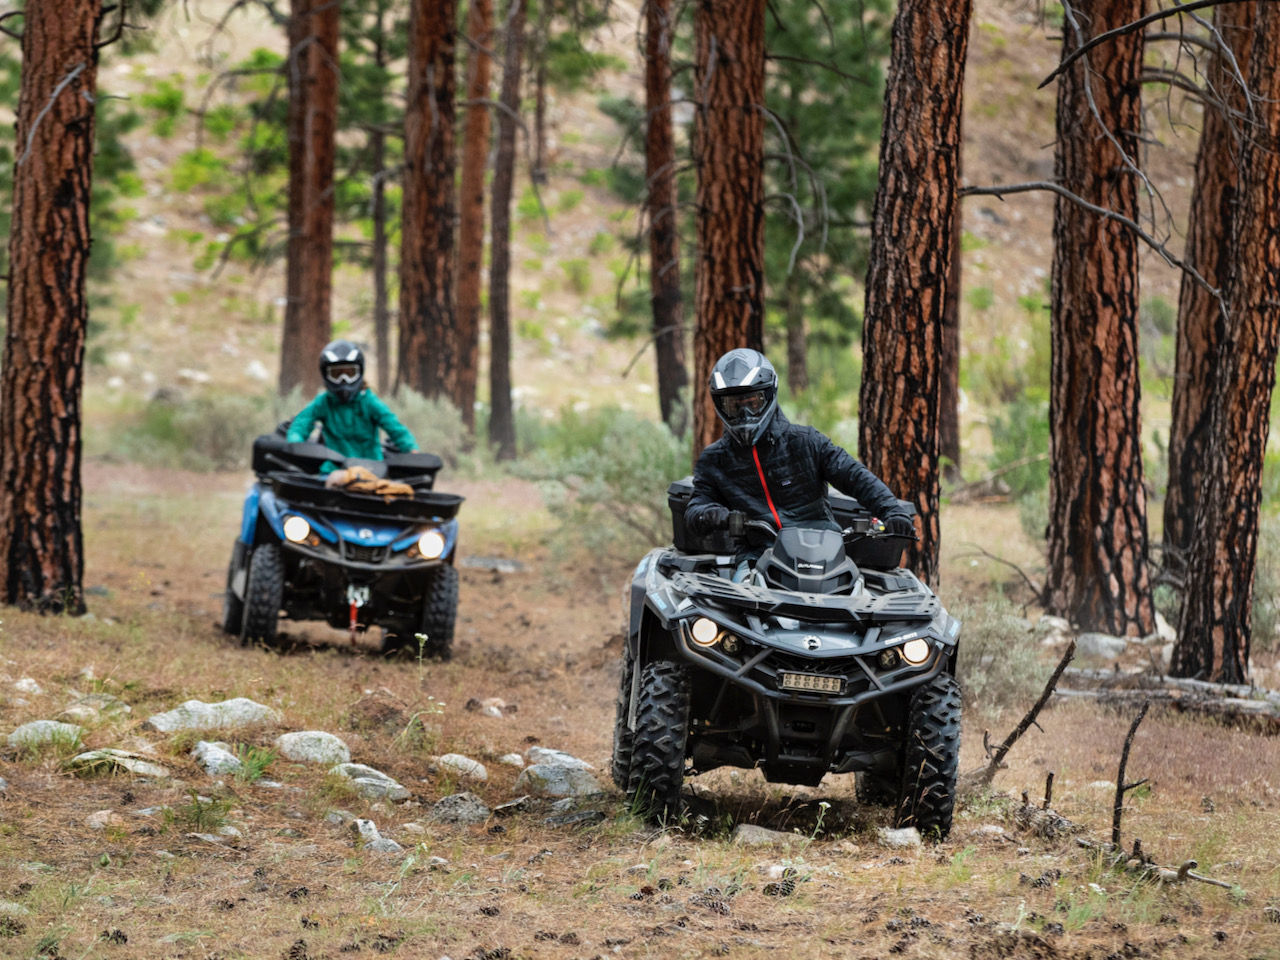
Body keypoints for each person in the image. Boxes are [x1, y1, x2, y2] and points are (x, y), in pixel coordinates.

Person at [684, 348, 915, 551]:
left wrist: (891, 511)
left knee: (857, 591)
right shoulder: (714, 460)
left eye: (753, 403)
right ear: (720, 406)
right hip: (756, 558)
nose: (745, 415)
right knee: (737, 592)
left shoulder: (806, 442)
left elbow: (854, 475)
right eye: (734, 406)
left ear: (769, 396)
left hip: (823, 552)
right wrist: (713, 514)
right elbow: (696, 508)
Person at [286, 340, 418, 468]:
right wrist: (295, 443)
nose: (343, 380)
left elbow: (395, 428)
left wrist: (412, 450)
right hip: (332, 472)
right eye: (336, 374)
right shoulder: (323, 402)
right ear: (326, 374)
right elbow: (301, 424)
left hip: (372, 472)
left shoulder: (370, 402)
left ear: (360, 373)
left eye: (350, 373)